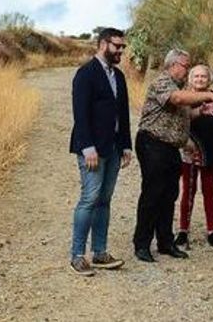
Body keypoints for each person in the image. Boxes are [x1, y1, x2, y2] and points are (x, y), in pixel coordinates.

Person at [133, 49, 213, 263]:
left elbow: (182, 115)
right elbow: (176, 99)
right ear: (174, 64)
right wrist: (209, 94)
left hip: (171, 147)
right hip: (153, 143)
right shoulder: (163, 82)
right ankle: (142, 244)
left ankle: (165, 242)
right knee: (153, 194)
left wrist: (201, 111)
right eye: (186, 66)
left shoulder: (177, 86)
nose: (187, 70)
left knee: (169, 195)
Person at [68, 27, 133, 276]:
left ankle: (100, 253)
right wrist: (87, 148)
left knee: (104, 200)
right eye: (118, 46)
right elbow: (80, 114)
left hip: (114, 147)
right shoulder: (86, 74)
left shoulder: (118, 76)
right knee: (89, 199)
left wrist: (126, 144)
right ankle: (77, 256)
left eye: (123, 47)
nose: (121, 51)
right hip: (92, 149)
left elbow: (123, 114)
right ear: (104, 44)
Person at [176, 64, 213, 249]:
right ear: (190, 79)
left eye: (203, 77)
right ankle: (183, 230)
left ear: (209, 79)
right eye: (196, 76)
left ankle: (212, 231)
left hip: (210, 152)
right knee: (188, 192)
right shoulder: (183, 98)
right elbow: (178, 122)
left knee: (209, 192)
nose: (199, 79)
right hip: (189, 151)